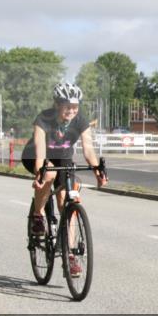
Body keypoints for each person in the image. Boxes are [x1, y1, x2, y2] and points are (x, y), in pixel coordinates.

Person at [22, 82, 107, 275]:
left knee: (70, 196)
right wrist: (40, 174)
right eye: (67, 106)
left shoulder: (81, 121)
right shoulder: (44, 118)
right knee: (49, 173)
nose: (72, 110)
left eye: (75, 107)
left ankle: (69, 255)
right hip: (36, 156)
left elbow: (88, 148)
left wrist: (97, 171)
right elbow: (40, 148)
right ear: (57, 104)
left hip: (63, 158)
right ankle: (38, 215)